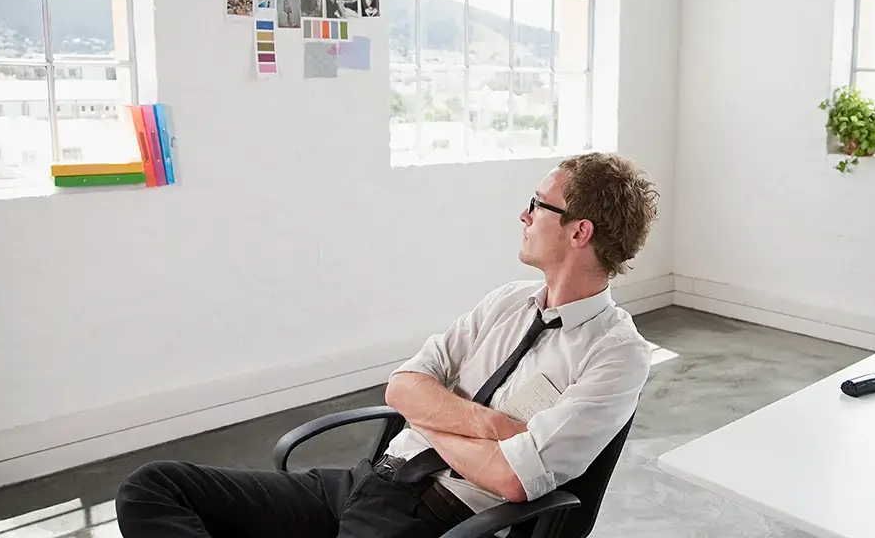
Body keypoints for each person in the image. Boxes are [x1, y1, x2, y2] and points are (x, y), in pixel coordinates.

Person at [115, 152, 661, 538]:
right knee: (154, 487)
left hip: (437, 516)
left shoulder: (616, 355)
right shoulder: (507, 302)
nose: (524, 215)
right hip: (369, 480)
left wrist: (432, 418)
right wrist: (486, 426)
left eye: (538, 205)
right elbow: (402, 387)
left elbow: (511, 478)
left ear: (579, 231)